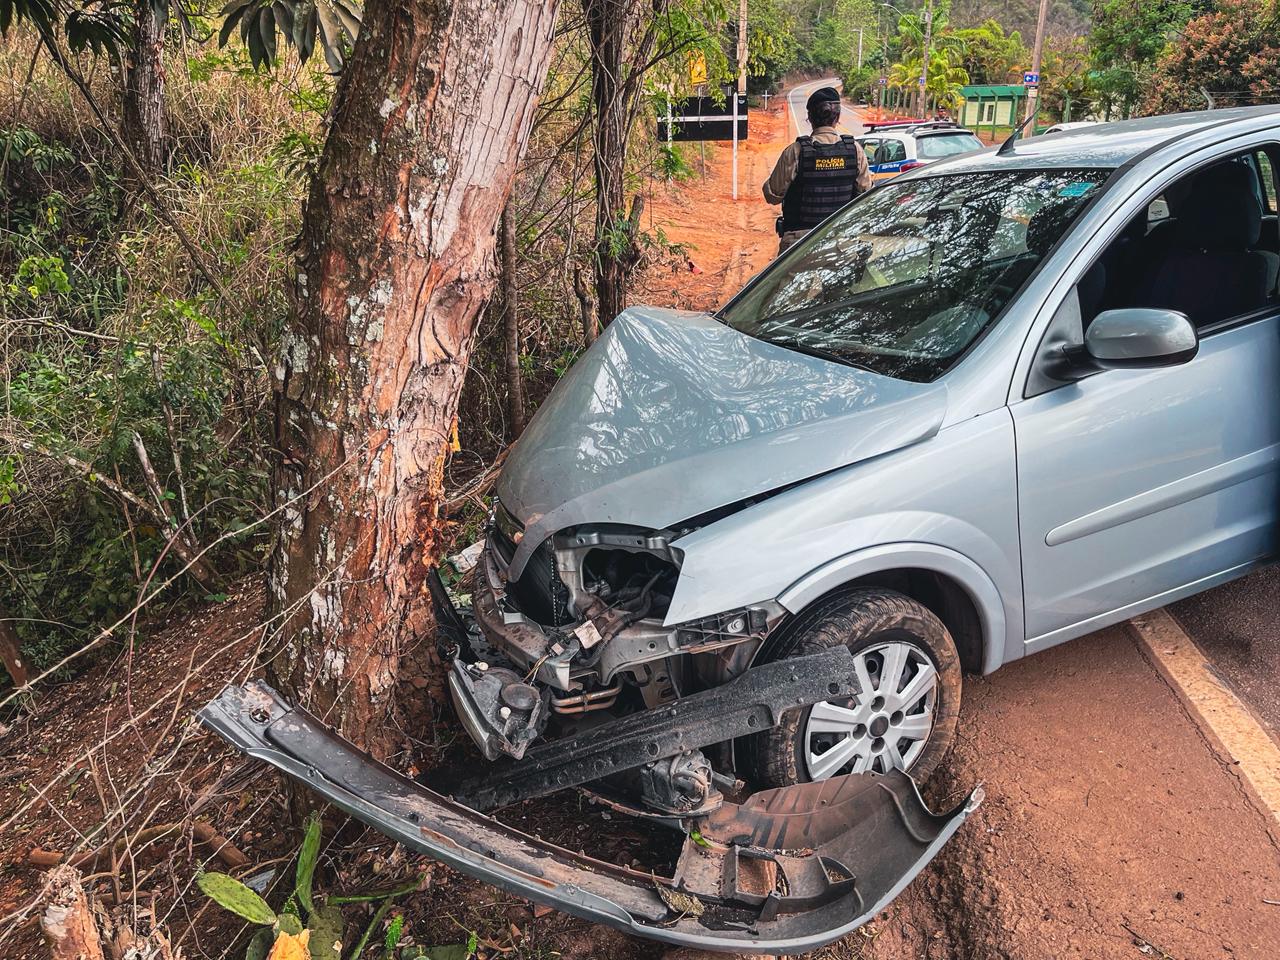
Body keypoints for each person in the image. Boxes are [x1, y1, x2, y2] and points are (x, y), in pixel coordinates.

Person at [762, 86, 871, 255]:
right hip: (841, 244)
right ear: (838, 117)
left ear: (810, 117)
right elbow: (865, 195)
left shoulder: (796, 151)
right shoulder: (855, 150)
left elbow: (773, 195)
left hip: (799, 246)